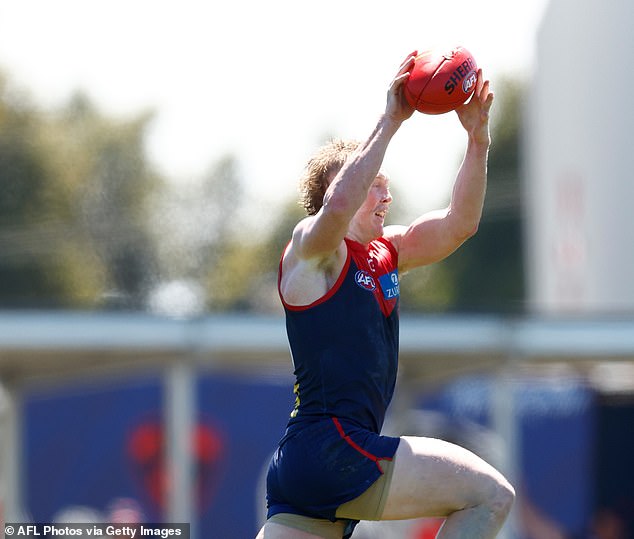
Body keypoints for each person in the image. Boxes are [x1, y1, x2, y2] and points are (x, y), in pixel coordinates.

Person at [256, 52, 515, 539]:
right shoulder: (311, 250)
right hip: (332, 450)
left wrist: (478, 139)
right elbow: (336, 208)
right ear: (344, 187)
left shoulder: (385, 253)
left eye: (385, 186)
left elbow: (460, 225)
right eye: (375, 185)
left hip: (308, 465)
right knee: (490, 494)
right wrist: (392, 119)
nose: (385, 196)